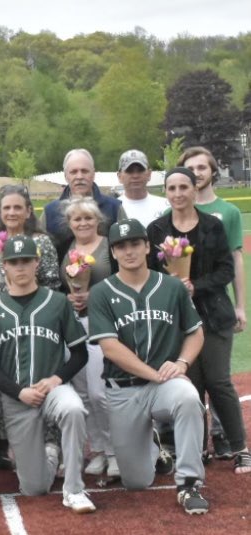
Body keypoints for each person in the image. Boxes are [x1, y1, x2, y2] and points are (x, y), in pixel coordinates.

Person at [87, 218, 209, 515]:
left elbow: (195, 332)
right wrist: (153, 373)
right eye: (121, 246)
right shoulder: (101, 292)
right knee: (136, 481)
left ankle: (189, 482)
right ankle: (155, 448)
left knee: (189, 397)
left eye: (134, 244)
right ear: (113, 253)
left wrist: (181, 363)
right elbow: (110, 348)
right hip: (124, 390)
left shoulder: (171, 287)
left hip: (166, 384)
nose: (129, 251)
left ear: (146, 247)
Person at [0, 234, 95, 513]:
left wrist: (56, 379)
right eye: (14, 262)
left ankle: (75, 489)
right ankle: (50, 455)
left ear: (37, 263)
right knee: (34, 488)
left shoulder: (57, 302)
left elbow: (80, 353)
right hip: (17, 397)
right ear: (4, 265)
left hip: (53, 389)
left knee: (74, 409)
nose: (20, 267)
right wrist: (18, 391)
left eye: (26, 261)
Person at [146, 167, 251, 474]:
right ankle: (197, 448)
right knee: (191, 385)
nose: (178, 193)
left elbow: (225, 271)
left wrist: (195, 286)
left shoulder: (212, 226)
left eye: (183, 187)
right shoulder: (156, 229)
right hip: (175, 321)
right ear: (166, 192)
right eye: (172, 188)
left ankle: (240, 448)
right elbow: (151, 273)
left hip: (213, 314)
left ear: (194, 190)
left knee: (218, 381)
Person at [180, 146, 247, 458]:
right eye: (189, 168)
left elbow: (235, 260)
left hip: (215, 305)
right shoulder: (169, 220)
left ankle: (228, 441)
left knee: (218, 380)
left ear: (211, 171)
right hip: (185, 311)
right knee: (192, 382)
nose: (196, 173)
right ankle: (201, 443)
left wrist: (240, 305)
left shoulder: (225, 214)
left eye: (201, 167)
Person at [59, 198, 117, 479]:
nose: (82, 223)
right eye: (76, 219)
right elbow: (60, 285)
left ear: (98, 220)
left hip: (104, 322)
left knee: (99, 392)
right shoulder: (67, 248)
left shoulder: (108, 246)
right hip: (74, 323)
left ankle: (116, 450)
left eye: (88, 218)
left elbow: (122, 280)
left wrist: (95, 295)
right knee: (82, 394)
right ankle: (98, 449)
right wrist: (70, 297)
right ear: (69, 224)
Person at [41, 148, 124, 261]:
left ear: (93, 174)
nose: (79, 176)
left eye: (84, 171)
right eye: (73, 172)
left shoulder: (114, 208)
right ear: (66, 176)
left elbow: (127, 248)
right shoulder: (50, 212)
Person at [0, 184, 60, 300]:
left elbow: (51, 285)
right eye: (7, 208)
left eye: (17, 208)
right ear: (0, 212)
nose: (11, 212)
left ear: (28, 212)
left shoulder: (41, 242)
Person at [116, 149, 168, 227]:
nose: (135, 176)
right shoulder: (113, 208)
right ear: (119, 176)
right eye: (129, 171)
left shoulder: (166, 206)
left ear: (149, 174)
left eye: (140, 170)